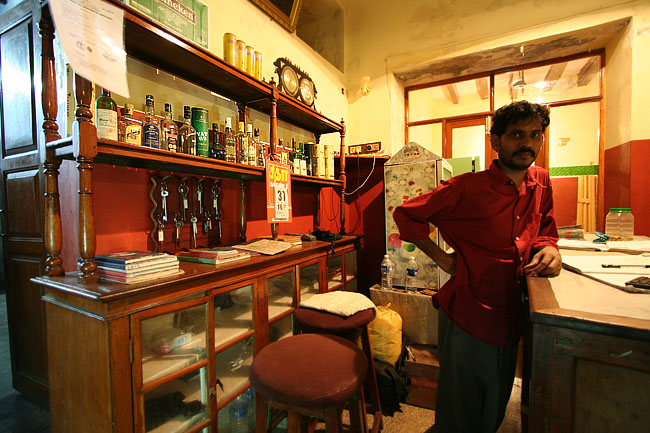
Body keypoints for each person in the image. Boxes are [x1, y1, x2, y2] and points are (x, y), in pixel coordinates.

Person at [393, 100, 561, 433]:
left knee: (495, 403)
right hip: (471, 313)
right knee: (461, 412)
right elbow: (406, 214)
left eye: (535, 135)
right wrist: (442, 258)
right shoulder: (466, 187)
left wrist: (550, 249)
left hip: (512, 315)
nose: (527, 143)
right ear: (496, 142)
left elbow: (546, 229)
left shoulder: (540, 182)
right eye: (516, 134)